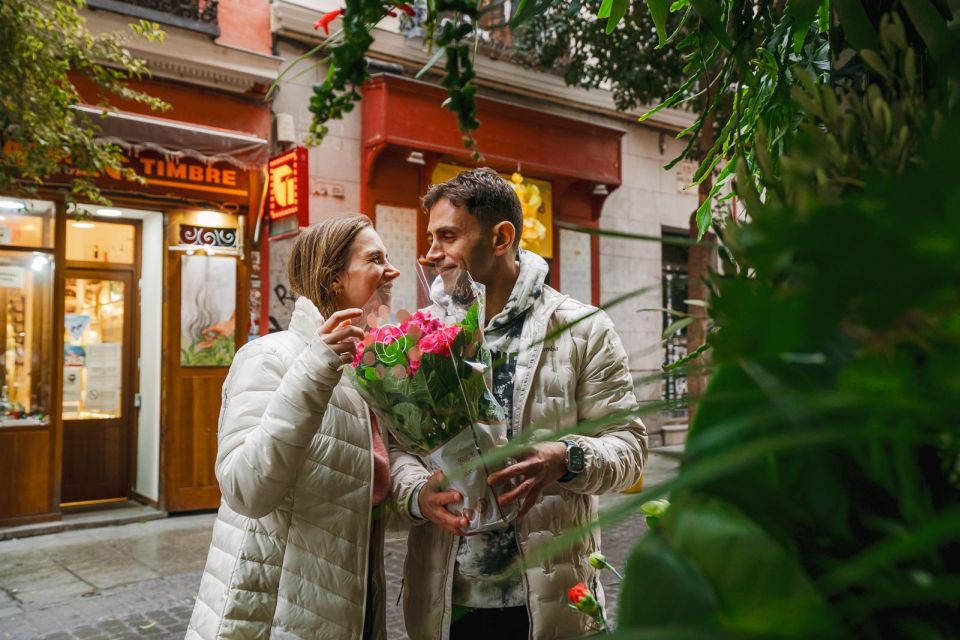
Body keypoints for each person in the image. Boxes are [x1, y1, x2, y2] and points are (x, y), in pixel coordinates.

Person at [390, 168, 648, 639]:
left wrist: (566, 457)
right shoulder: (421, 335)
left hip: (549, 607)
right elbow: (397, 447)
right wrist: (416, 493)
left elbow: (630, 451)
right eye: (431, 237)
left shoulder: (582, 329)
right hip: (445, 602)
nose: (429, 254)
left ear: (501, 237)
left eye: (448, 236)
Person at [186, 215, 400, 640]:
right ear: (333, 279)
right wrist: (316, 370)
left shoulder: (368, 370)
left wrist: (420, 496)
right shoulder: (268, 358)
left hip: (351, 611)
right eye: (376, 259)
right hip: (268, 615)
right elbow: (245, 489)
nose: (391, 270)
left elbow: (368, 491)